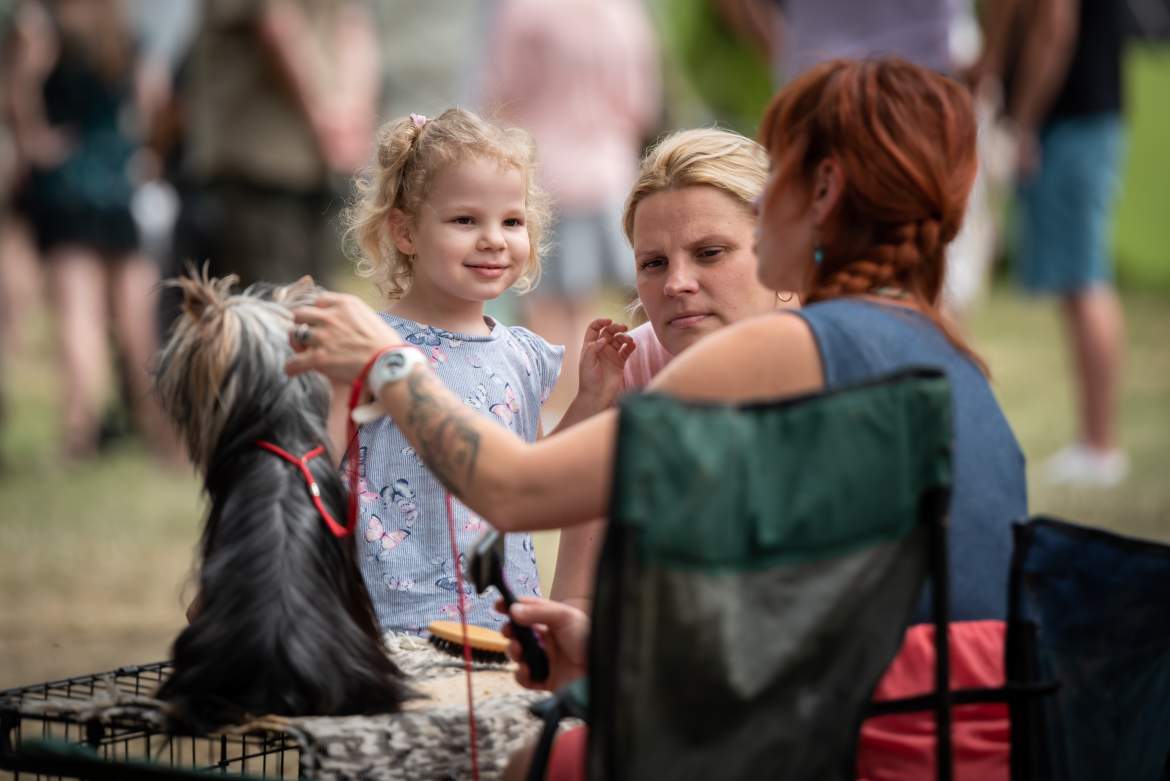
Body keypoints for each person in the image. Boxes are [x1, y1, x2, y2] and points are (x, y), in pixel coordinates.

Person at [287, 58, 1027, 779]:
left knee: (533, 766)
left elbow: (515, 490)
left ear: (822, 190)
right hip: (976, 724)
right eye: (652, 262)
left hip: (873, 739)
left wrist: (386, 363)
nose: (678, 283)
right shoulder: (941, 350)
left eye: (780, 183)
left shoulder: (779, 348)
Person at [336, 107, 632, 635]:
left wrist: (589, 397)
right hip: (392, 627)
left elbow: (532, 474)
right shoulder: (372, 347)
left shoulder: (520, 353)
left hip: (499, 626)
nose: (494, 239)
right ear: (404, 231)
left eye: (511, 221)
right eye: (465, 220)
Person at [550, 127, 794, 611]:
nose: (676, 284)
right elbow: (576, 594)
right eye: (653, 263)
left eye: (710, 253)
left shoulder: (841, 352)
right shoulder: (631, 367)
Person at [973, 0, 1129, 486]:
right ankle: (1095, 442)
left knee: (1085, 277)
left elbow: (1054, 24)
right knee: (1080, 279)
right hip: (1077, 119)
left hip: (1072, 120)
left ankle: (1100, 446)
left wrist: (1022, 123)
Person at [481, 0, 661, 419]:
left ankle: (551, 414)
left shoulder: (524, 11)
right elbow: (641, 102)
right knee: (588, 304)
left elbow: (501, 89)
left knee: (544, 307)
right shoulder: (624, 12)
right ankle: (587, 411)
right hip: (608, 169)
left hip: (546, 168)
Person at [6, 0, 169, 459]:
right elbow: (148, 98)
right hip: (118, 180)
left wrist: (33, 138)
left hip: (69, 182)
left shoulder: (42, 24)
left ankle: (80, 433)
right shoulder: (121, 28)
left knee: (80, 314)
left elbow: (20, 90)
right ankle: (156, 428)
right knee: (137, 315)